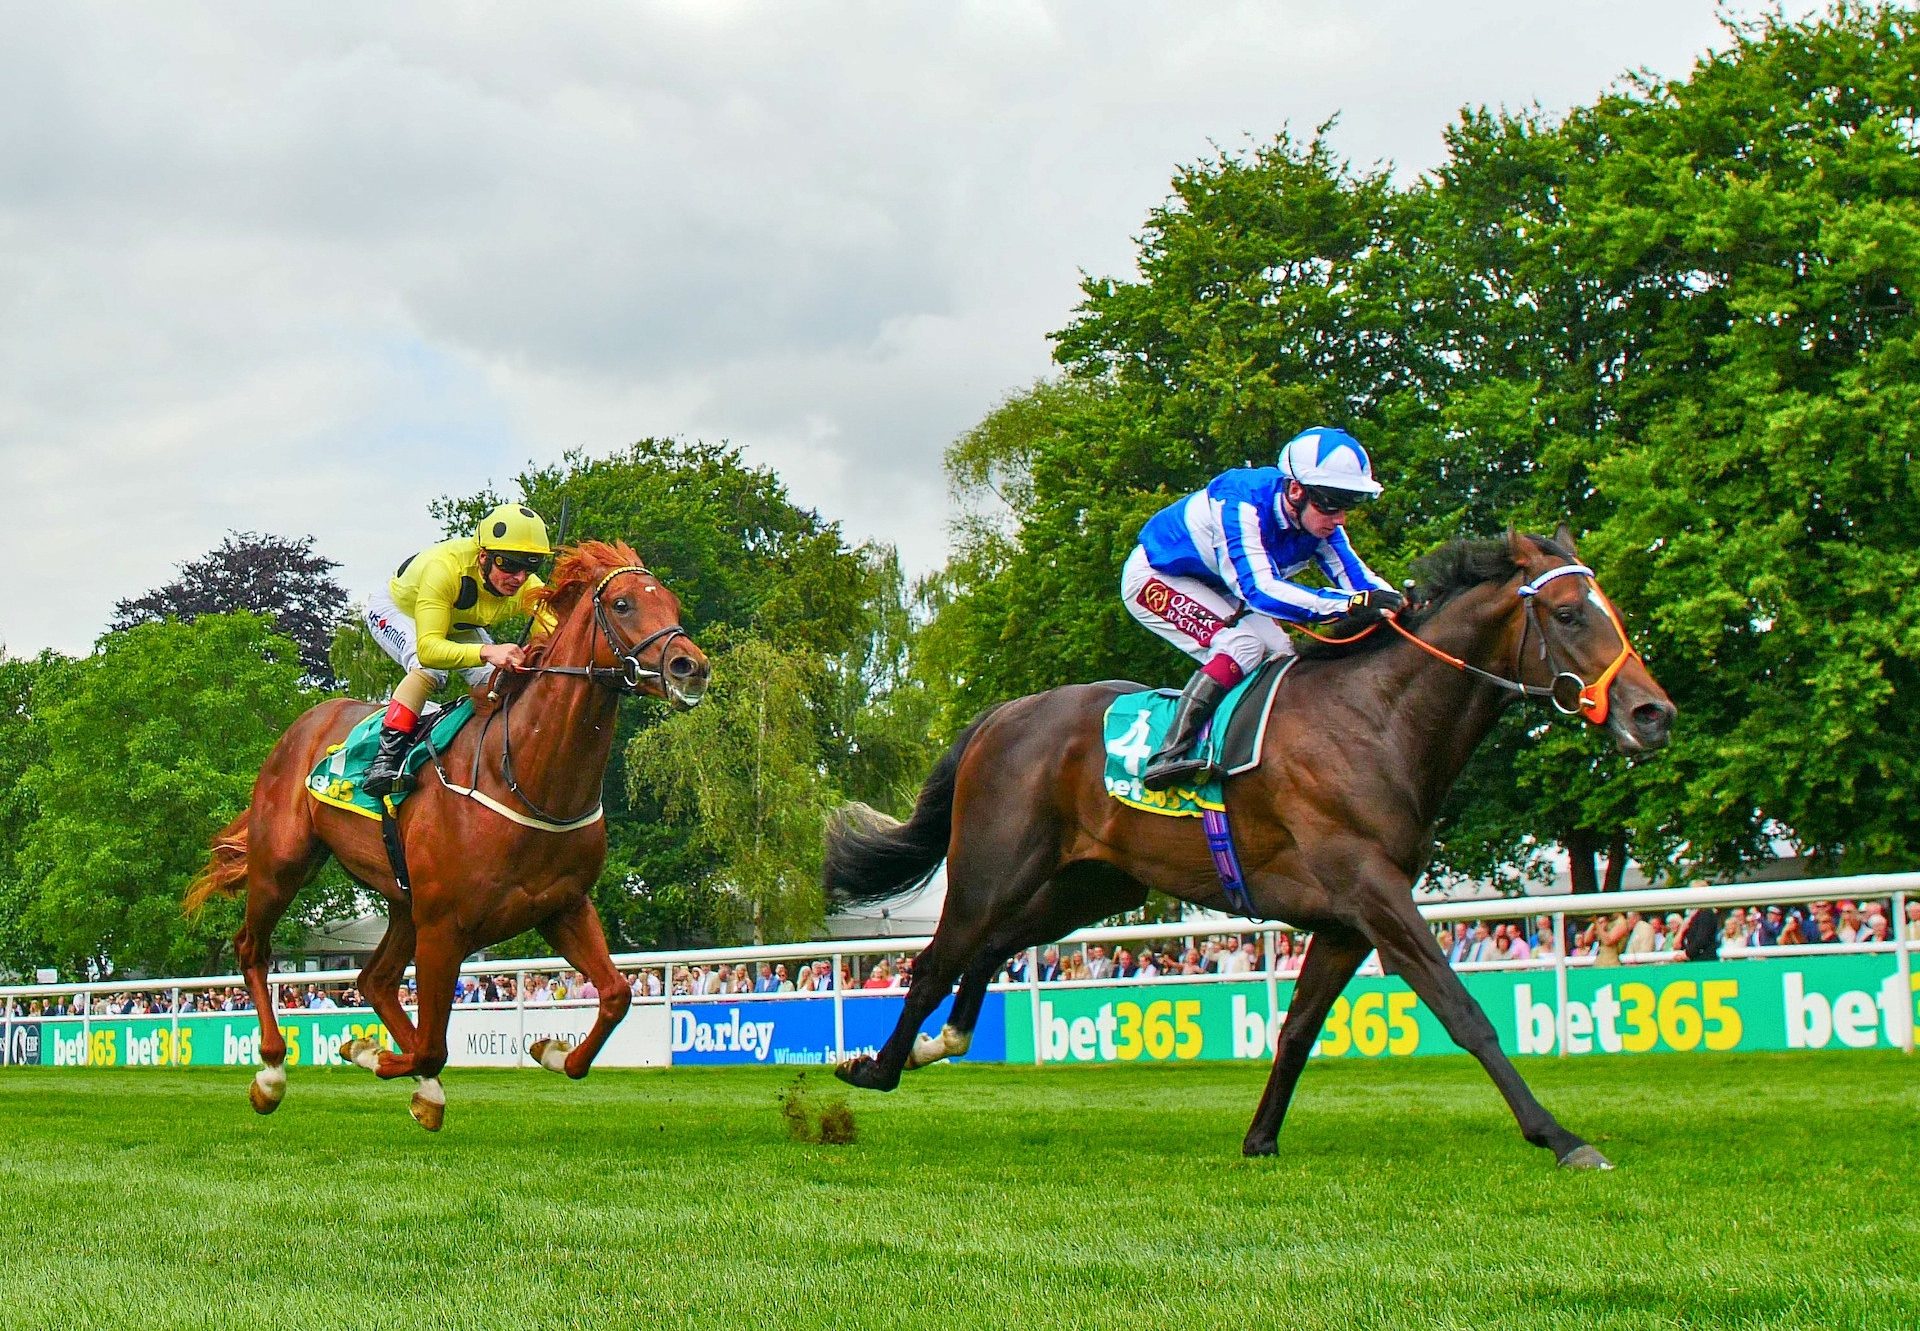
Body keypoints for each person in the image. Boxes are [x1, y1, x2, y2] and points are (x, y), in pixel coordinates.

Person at [1121, 426, 1402, 790]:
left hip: (1218, 585)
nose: (1340, 518)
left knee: (1283, 656)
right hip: (1155, 577)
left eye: (1348, 505)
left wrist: (1403, 605)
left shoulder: (1318, 523)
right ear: (1296, 490)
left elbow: (1360, 581)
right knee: (1243, 646)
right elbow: (1259, 591)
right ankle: (1169, 753)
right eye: (1332, 503)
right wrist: (1348, 605)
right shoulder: (1240, 502)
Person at [360, 502, 558, 797]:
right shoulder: (445, 570)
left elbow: (557, 633)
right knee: (429, 668)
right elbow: (429, 648)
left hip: (457, 622)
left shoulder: (527, 584)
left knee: (496, 679)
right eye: (509, 564)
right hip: (401, 611)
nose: (518, 578)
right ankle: (384, 762)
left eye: (529, 567)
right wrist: (489, 651)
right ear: (483, 557)